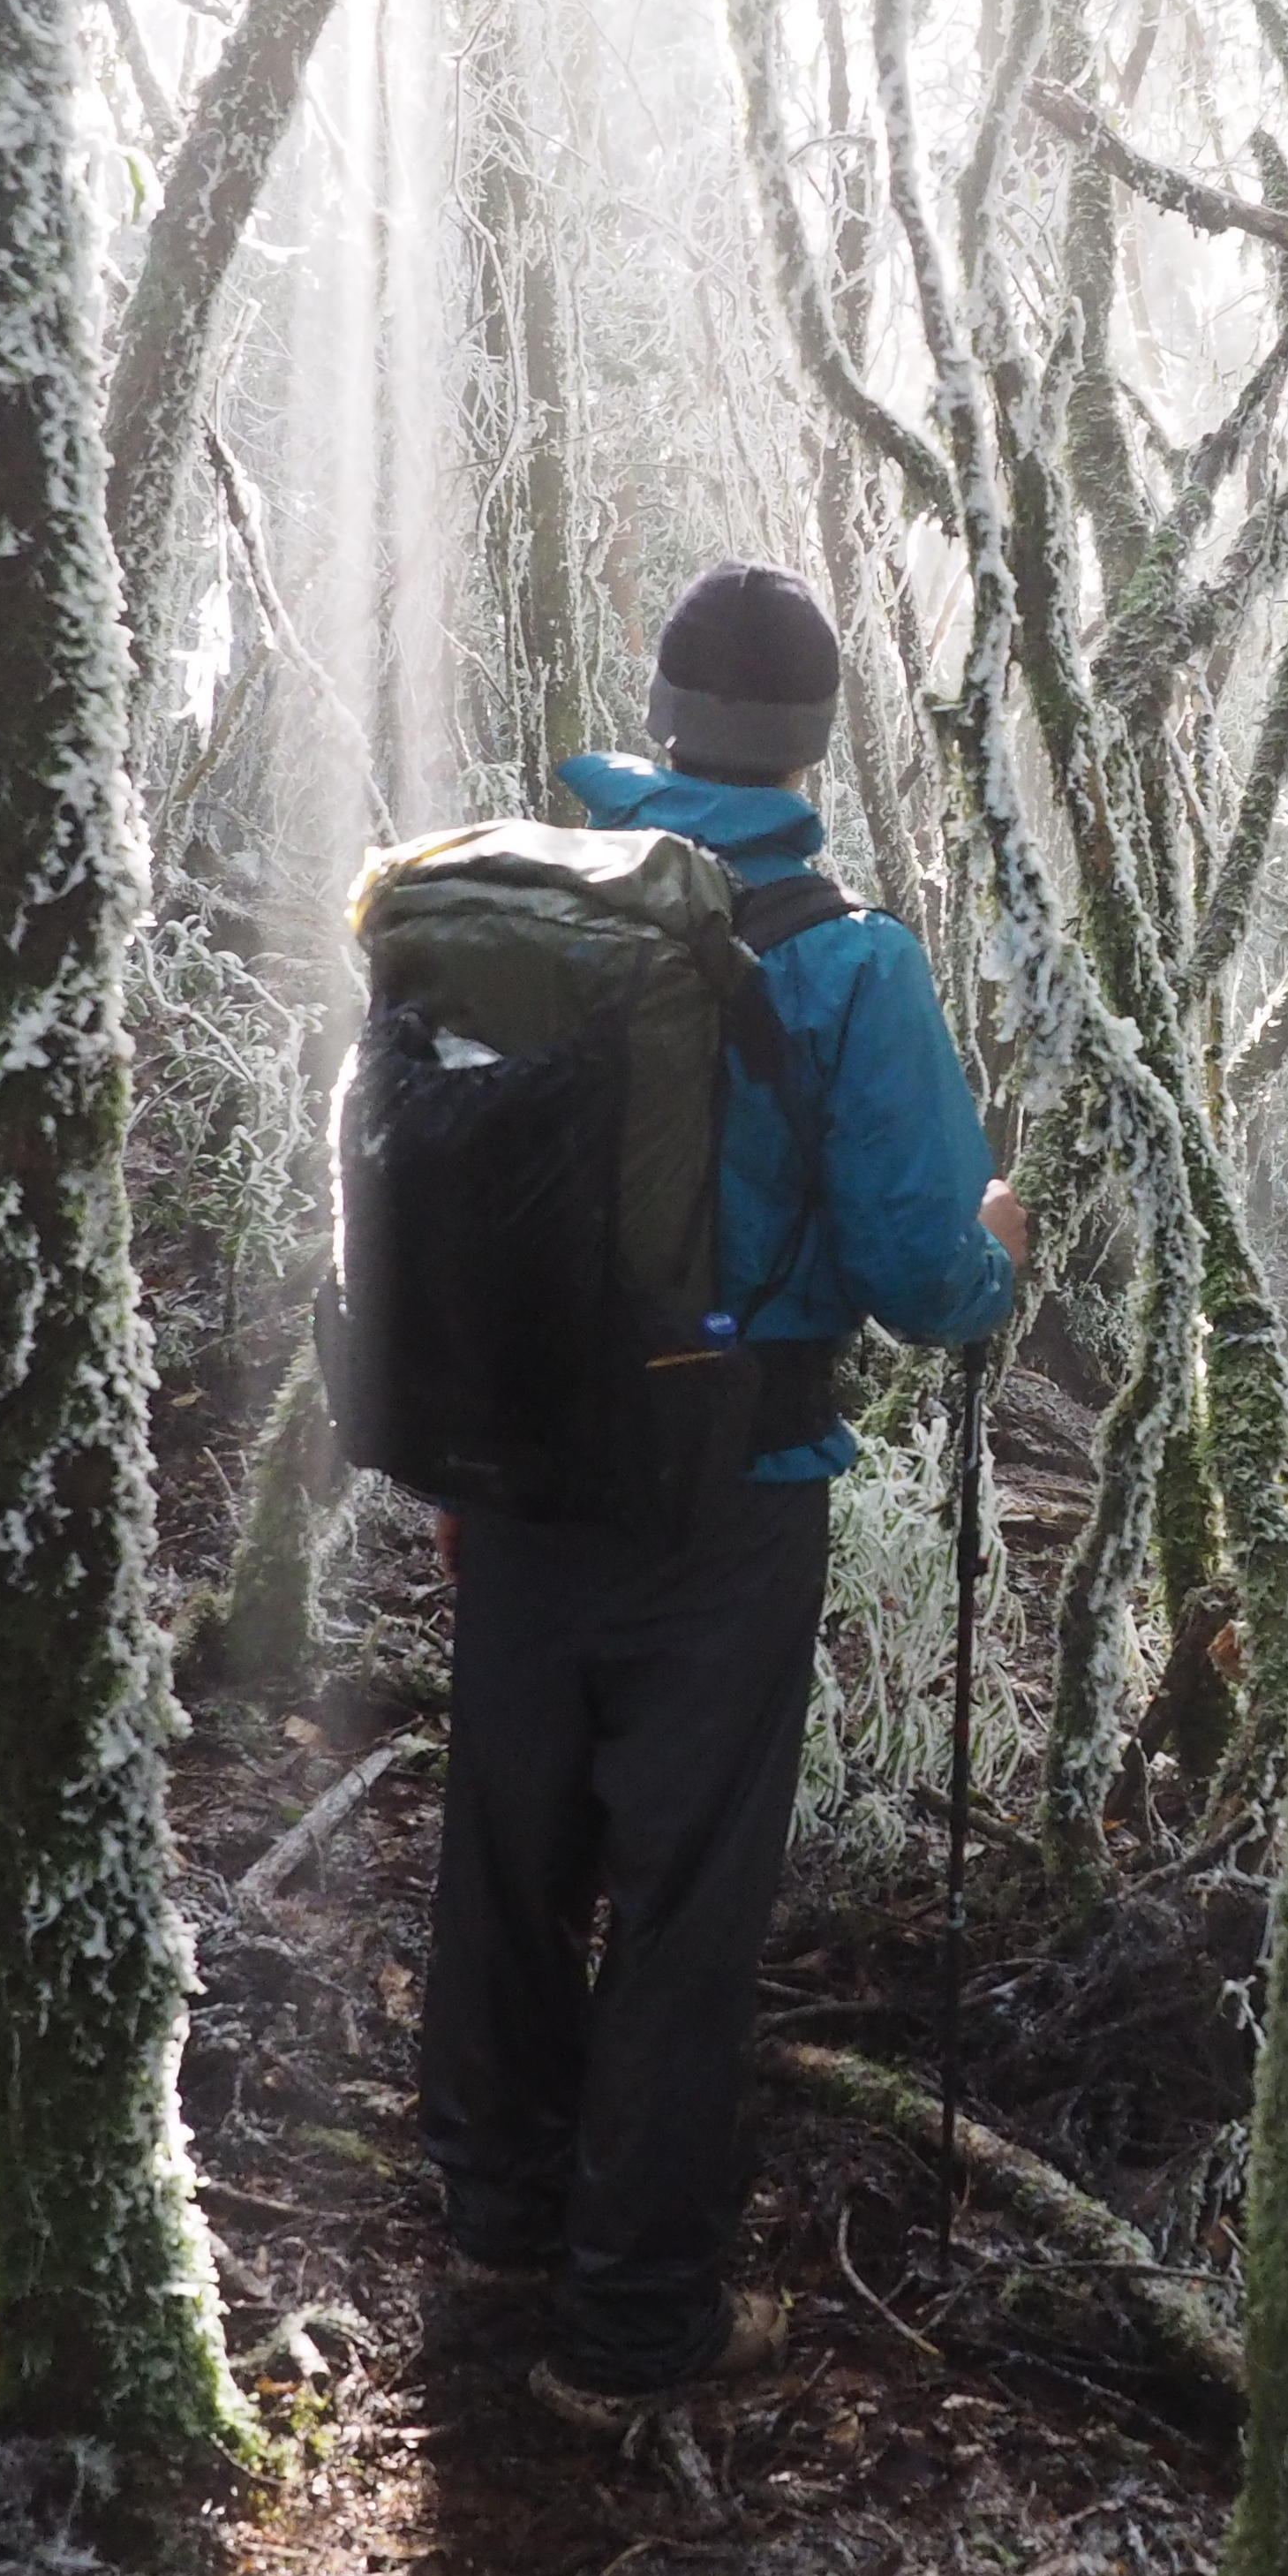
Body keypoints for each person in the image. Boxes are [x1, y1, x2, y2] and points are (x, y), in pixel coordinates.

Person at [418, 557, 1024, 2419]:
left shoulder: (526, 899)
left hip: (514, 1470)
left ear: (657, 716)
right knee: (683, 1907)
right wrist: (1000, 1247)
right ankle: (632, 2331)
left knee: (510, 1859)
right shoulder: (847, 958)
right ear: (815, 750)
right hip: (728, 1492)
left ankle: (490, 2234)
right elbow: (930, 1281)